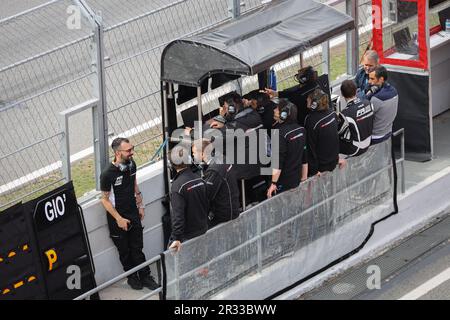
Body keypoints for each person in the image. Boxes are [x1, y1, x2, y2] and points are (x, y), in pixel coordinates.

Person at [100, 137, 158, 290]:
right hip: (117, 219)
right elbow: (104, 200)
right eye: (128, 150)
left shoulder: (132, 165)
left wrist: (141, 205)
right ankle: (132, 277)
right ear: (118, 153)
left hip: (133, 213)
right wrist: (119, 218)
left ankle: (145, 276)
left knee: (137, 248)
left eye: (132, 149)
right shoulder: (107, 174)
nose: (132, 152)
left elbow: (134, 183)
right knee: (124, 251)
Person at [168, 146, 209, 252]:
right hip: (203, 228)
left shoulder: (177, 186)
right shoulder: (199, 178)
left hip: (188, 236)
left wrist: (176, 238)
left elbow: (178, 216)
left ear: (172, 164)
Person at [192, 139, 240, 228]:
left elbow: (206, 195)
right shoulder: (221, 158)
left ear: (202, 154)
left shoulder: (214, 170)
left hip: (224, 215)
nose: (193, 155)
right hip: (232, 207)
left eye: (194, 153)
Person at [267, 99, 308, 198]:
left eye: (277, 109)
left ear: (284, 114)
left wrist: (273, 183)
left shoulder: (279, 133)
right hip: (296, 179)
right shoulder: (301, 129)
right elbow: (304, 156)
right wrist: (304, 177)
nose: (274, 110)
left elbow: (278, 162)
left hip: (283, 182)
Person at [304, 89, 340, 177]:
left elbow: (310, 147)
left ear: (314, 104)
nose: (306, 100)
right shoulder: (332, 113)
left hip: (321, 167)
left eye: (308, 99)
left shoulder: (311, 120)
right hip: (334, 160)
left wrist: (314, 170)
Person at [338, 80, 374, 157]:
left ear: (342, 94)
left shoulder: (345, 114)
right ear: (355, 91)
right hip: (370, 141)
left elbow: (339, 132)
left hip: (357, 148)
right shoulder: (368, 103)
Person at [366, 65, 398, 144]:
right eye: (369, 78)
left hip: (375, 137)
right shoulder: (394, 91)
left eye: (372, 79)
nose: (369, 82)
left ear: (381, 79)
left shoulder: (376, 99)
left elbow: (365, 115)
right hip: (388, 132)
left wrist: (367, 96)